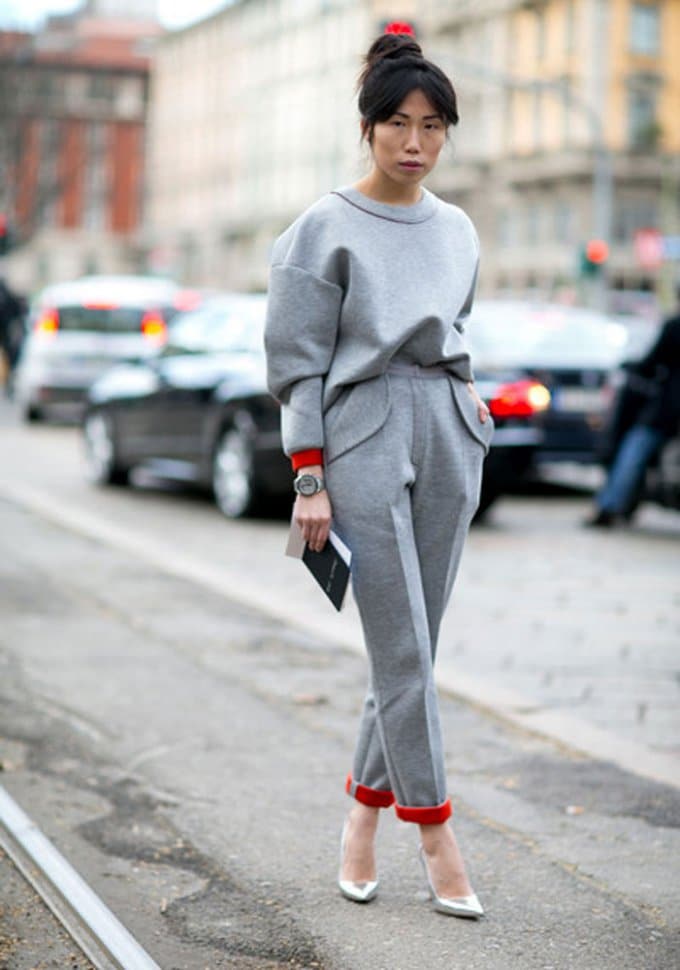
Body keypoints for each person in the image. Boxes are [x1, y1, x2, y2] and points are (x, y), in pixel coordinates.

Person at [264, 26, 492, 919]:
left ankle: (360, 814)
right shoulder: (319, 228)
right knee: (400, 649)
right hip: (359, 434)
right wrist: (309, 473)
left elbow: (462, 326)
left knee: (416, 651)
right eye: (398, 122)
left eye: (434, 125)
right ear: (368, 127)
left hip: (447, 425)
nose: (415, 142)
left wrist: (470, 412)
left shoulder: (460, 227)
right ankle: (435, 832)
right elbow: (297, 363)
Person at [586, 293, 680, 527]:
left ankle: (609, 506)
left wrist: (632, 367)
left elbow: (651, 363)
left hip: (670, 409)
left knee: (634, 449)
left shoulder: (674, 326)